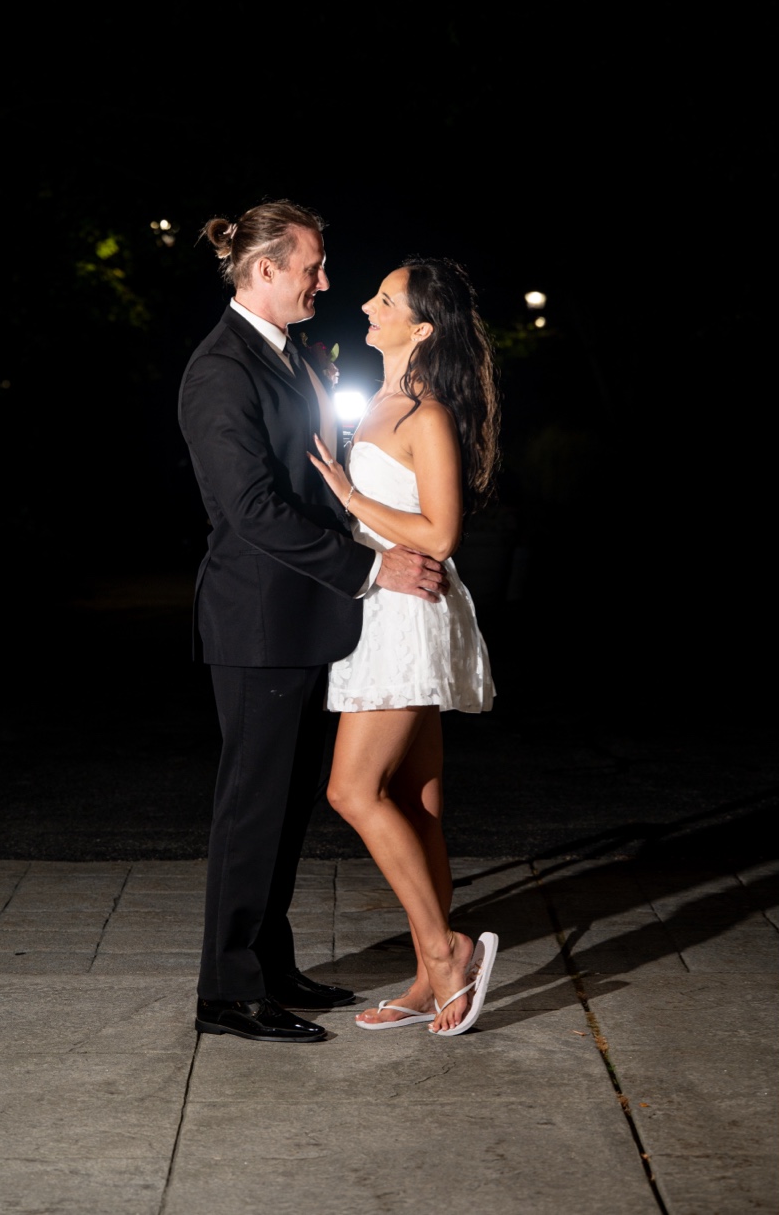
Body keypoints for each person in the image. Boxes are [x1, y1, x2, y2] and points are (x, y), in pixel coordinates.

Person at [179, 201, 447, 1044]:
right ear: (264, 271)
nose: (324, 283)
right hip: (256, 622)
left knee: (288, 803)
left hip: (302, 617)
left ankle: (270, 962)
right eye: (311, 268)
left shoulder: (287, 353)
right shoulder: (220, 369)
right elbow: (252, 510)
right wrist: (373, 565)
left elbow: (314, 481)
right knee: (251, 807)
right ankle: (228, 993)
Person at [306, 257, 500, 1036]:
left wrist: (352, 496)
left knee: (351, 791)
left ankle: (448, 953)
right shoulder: (375, 401)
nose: (364, 303)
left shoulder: (425, 414)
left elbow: (443, 534)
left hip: (408, 615)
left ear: (420, 328)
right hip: (378, 607)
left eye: (384, 300)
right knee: (419, 803)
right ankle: (429, 978)